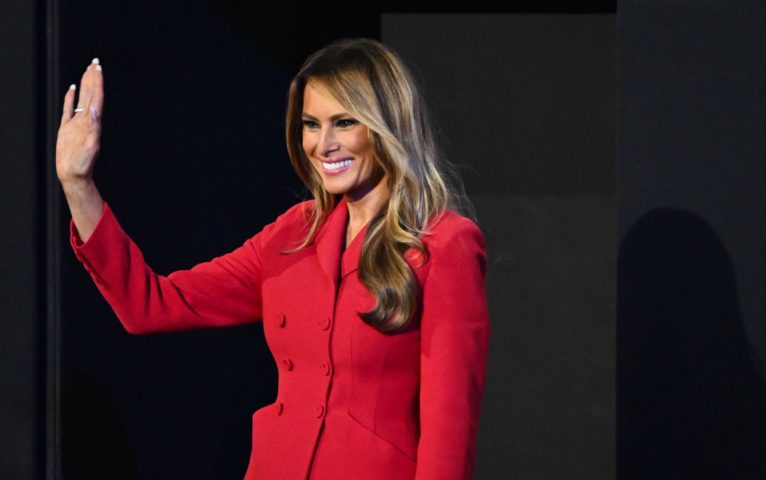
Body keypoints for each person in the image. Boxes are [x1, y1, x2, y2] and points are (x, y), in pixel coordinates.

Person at [56, 38, 490, 479]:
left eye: (343, 123)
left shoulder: (444, 245)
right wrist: (78, 186)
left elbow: (448, 431)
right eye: (311, 124)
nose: (324, 145)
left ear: (386, 126)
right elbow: (150, 304)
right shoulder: (292, 235)